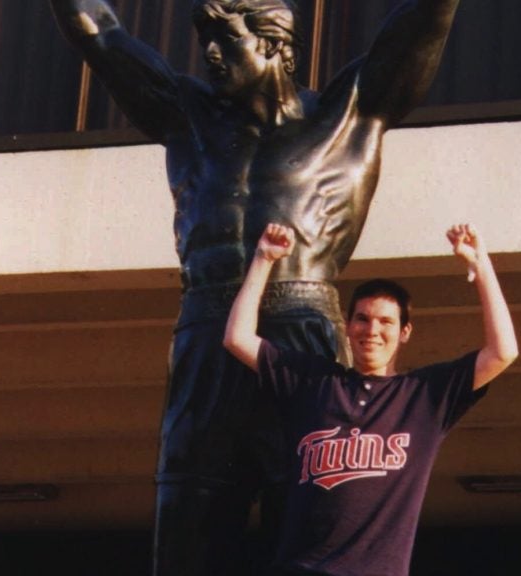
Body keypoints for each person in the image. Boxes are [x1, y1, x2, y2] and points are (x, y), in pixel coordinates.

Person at [49, 0, 464, 573]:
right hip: (208, 329)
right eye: (206, 44)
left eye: (225, 40)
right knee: (187, 521)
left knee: (306, 515)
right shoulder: (187, 116)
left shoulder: (349, 112)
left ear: (271, 44)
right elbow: (100, 33)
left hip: (303, 330)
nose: (210, 56)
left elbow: (420, 23)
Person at [224, 222, 518, 575]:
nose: (372, 330)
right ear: (348, 326)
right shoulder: (311, 382)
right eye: (362, 319)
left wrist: (481, 265)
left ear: (405, 332)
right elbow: (237, 338)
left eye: (385, 321)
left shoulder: (423, 396)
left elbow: (503, 352)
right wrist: (263, 258)